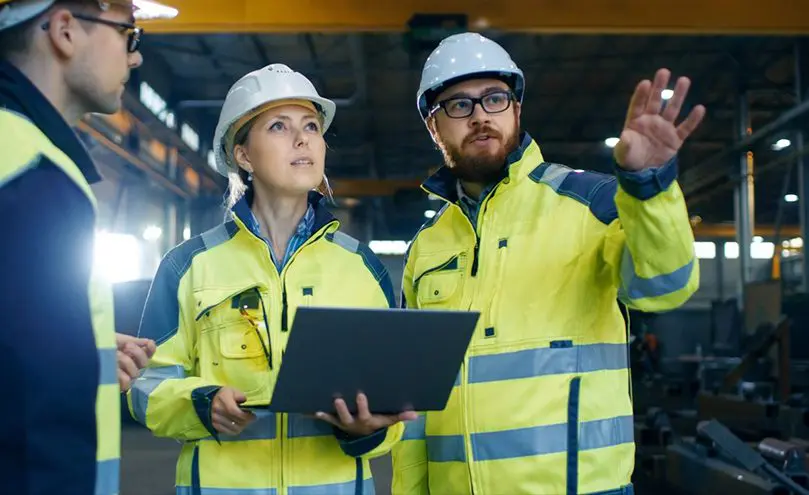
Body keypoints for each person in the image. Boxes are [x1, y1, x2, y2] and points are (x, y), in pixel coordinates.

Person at [391, 32, 705, 495]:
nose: (479, 116)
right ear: (434, 128)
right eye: (458, 106)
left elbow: (666, 287)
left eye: (494, 99)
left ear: (516, 110)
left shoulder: (592, 203)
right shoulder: (427, 247)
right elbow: (413, 401)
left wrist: (648, 187)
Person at [128, 63, 417, 495]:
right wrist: (201, 403)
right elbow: (146, 387)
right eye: (279, 126)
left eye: (312, 127)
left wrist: (368, 428)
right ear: (243, 155)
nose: (302, 139)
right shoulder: (188, 266)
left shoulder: (362, 268)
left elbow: (389, 402)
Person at [0, 1, 173, 493]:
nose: (135, 58)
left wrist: (82, 353)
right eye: (128, 35)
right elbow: (36, 424)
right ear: (66, 31)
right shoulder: (31, 173)